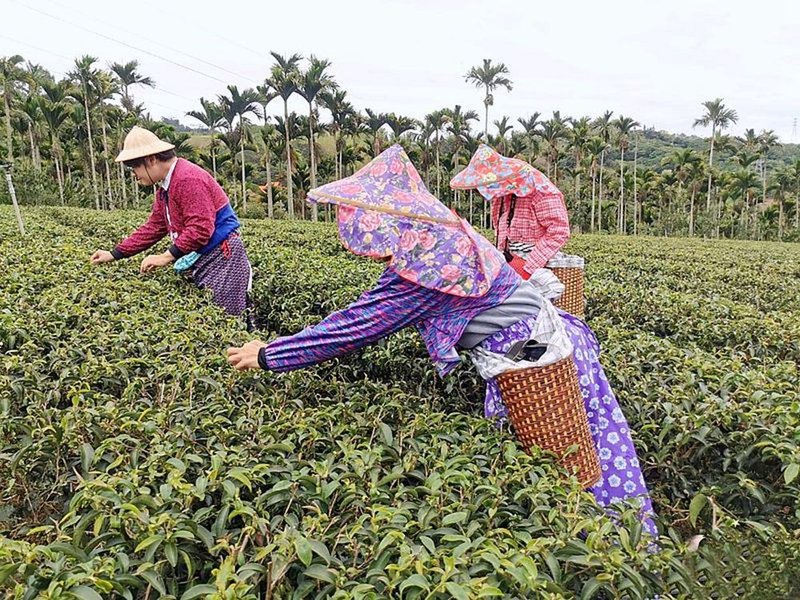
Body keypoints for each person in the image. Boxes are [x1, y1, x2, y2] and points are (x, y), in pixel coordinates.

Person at [226, 145, 657, 536]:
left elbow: (355, 326)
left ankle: (610, 552)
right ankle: (619, 544)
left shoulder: (421, 270)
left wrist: (269, 354)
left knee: (566, 466)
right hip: (544, 346)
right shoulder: (439, 234)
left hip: (534, 363)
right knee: (590, 446)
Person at [90, 126, 252, 321]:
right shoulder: (166, 188)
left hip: (222, 257)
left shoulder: (187, 179)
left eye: (135, 167)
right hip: (206, 256)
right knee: (214, 318)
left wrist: (166, 257)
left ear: (151, 160)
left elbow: (200, 229)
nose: (134, 174)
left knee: (228, 320)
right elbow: (154, 227)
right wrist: (114, 254)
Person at [450, 144, 570, 281]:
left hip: (536, 268)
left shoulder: (542, 191)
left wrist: (528, 267)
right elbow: (500, 231)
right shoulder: (501, 195)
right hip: (509, 265)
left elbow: (559, 231)